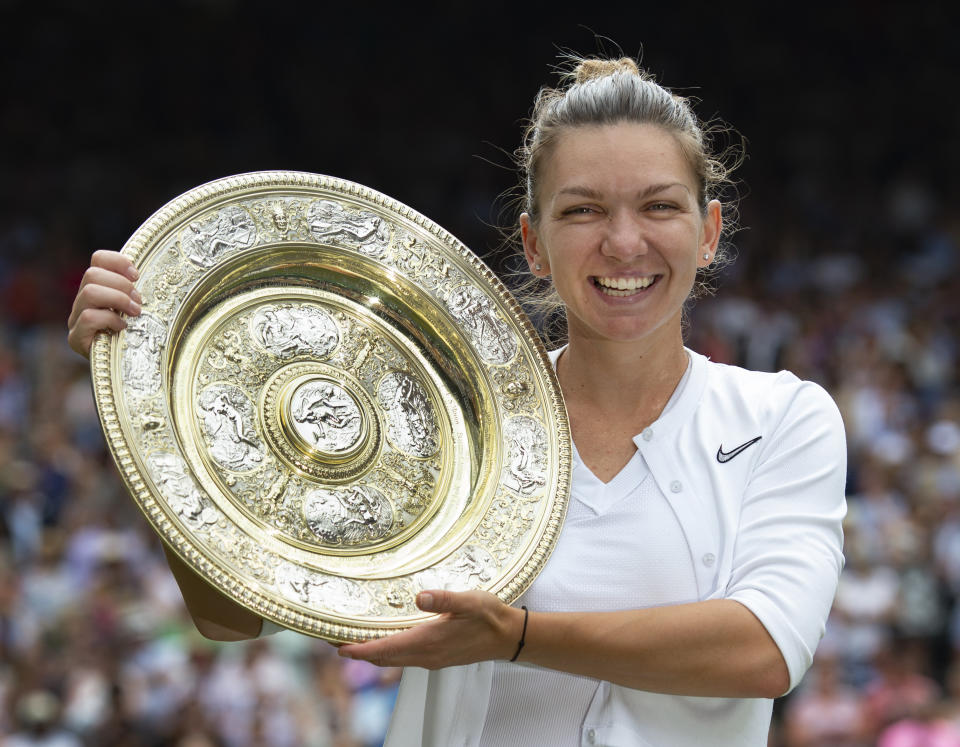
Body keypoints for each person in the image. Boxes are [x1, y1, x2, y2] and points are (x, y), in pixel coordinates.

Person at [67, 55, 847, 746]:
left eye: (659, 206)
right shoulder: (447, 420)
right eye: (581, 209)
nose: (623, 241)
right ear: (534, 241)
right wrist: (146, 399)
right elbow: (230, 616)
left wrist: (513, 637)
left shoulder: (781, 418)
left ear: (708, 231)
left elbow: (764, 651)